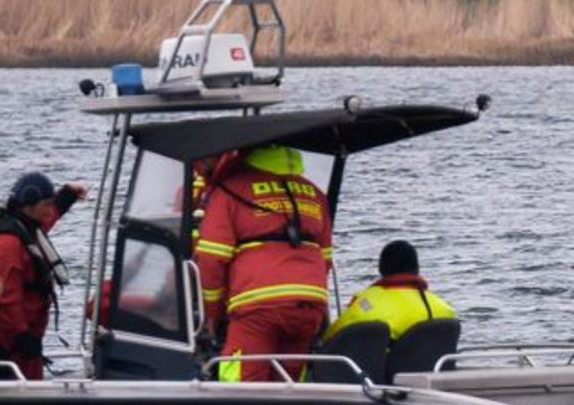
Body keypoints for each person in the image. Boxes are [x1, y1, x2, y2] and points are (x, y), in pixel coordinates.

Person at [194, 144, 334, 382]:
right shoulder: (314, 193)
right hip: (309, 303)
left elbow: (212, 258)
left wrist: (211, 313)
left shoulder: (229, 190)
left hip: (257, 304)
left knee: (242, 380)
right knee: (289, 383)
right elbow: (326, 257)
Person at [0, 173, 86, 380]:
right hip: (13, 342)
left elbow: (49, 217)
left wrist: (67, 195)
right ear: (29, 205)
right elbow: (6, 299)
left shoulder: (27, 228)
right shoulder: (7, 244)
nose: (50, 210)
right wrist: (22, 335)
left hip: (28, 336)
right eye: (46, 204)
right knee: (19, 391)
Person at [323, 240, 457, 342]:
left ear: (381, 268)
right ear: (416, 268)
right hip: (433, 369)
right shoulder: (445, 310)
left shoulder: (366, 304)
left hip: (382, 370)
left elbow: (331, 337)